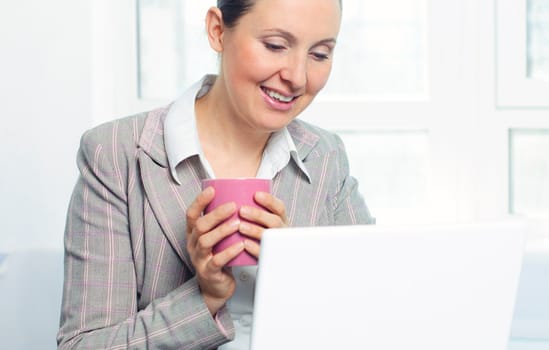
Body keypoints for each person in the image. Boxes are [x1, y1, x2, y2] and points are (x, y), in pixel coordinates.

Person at [57, 0, 374, 348]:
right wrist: (205, 296)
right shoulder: (116, 154)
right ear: (217, 30)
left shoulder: (326, 157)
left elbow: (374, 313)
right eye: (275, 46)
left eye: (319, 54)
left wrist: (294, 270)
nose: (297, 77)